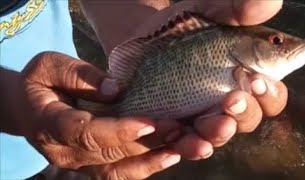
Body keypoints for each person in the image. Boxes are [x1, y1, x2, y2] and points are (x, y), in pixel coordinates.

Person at [0, 0, 287, 179]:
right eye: (276, 41)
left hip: (68, 118)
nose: (286, 47)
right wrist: (12, 103)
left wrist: (142, 33)